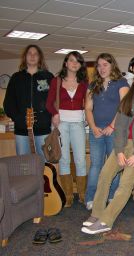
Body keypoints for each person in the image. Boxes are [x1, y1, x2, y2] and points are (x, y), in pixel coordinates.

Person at [82, 68, 134, 234]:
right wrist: (119, 151)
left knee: (125, 183)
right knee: (105, 174)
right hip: (123, 144)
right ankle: (96, 213)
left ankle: (107, 220)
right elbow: (120, 127)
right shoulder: (127, 100)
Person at [84, 53, 129, 211]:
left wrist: (112, 126)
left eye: (105, 64)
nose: (102, 68)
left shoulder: (121, 83)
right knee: (96, 165)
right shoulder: (93, 84)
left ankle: (111, 196)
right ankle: (91, 198)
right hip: (96, 130)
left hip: (115, 130)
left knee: (114, 164)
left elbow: (124, 106)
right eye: (99, 65)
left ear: (112, 65)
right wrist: (93, 127)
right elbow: (88, 108)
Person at [46, 51, 88, 207]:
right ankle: (68, 196)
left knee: (81, 160)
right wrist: (55, 114)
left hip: (78, 123)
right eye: (71, 60)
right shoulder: (56, 81)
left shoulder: (84, 82)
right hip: (61, 123)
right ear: (66, 63)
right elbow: (49, 103)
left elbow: (88, 102)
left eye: (77, 61)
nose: (74, 63)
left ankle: (82, 195)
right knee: (64, 159)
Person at [4, 44, 53, 159]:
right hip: (22, 130)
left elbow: (54, 101)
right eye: (29, 53)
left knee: (45, 164)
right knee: (23, 164)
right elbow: (8, 103)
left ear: (40, 57)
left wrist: (47, 117)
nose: (32, 56)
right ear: (25, 57)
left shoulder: (48, 77)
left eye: (35, 54)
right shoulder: (16, 78)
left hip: (43, 129)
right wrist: (18, 118)